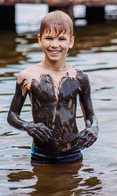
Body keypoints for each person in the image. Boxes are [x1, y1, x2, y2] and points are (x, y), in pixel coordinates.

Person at [7, 10, 98, 164]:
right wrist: (28, 126)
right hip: (41, 154)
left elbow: (90, 117)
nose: (54, 45)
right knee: (43, 186)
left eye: (61, 39)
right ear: (40, 40)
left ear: (71, 42)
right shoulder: (27, 76)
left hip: (73, 152)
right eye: (49, 38)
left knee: (74, 186)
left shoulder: (79, 78)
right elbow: (12, 116)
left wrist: (93, 128)